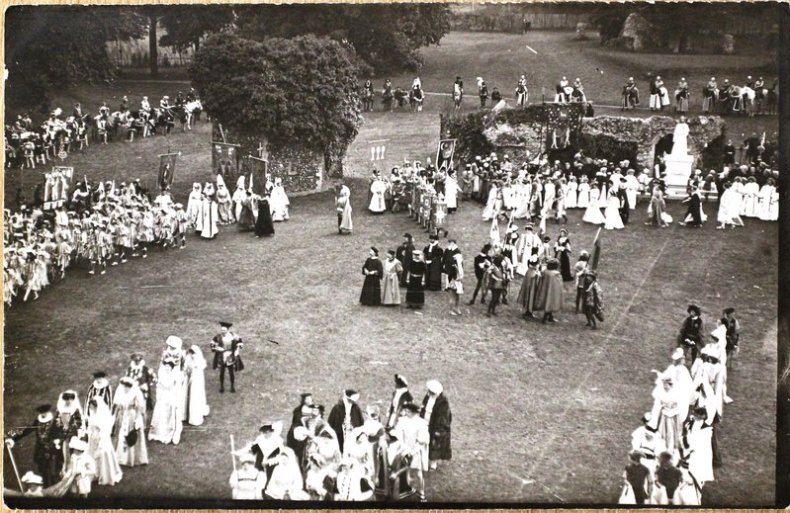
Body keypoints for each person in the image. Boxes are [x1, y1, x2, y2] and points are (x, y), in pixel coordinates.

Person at [6, 404, 63, 487]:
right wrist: (13, 439)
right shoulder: (37, 421)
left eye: (45, 412)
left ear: (48, 412)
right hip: (41, 451)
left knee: (52, 472)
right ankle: (45, 489)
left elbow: (59, 433)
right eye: (42, 413)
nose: (44, 414)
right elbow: (27, 431)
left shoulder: (54, 421)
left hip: (52, 451)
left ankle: (53, 490)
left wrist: (58, 441)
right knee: (43, 471)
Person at [395, 402, 430, 501]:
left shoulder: (421, 423)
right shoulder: (402, 421)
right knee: (406, 469)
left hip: (416, 451)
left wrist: (413, 451)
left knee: (419, 472)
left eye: (407, 411)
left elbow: (422, 441)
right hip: (405, 449)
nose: (405, 412)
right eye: (405, 410)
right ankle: (407, 488)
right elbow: (399, 435)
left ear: (413, 413)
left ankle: (422, 492)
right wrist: (404, 448)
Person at [112, 377, 148, 467]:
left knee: (132, 434)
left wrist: (137, 418)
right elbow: (118, 405)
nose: (125, 388)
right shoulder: (120, 392)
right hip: (124, 415)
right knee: (123, 434)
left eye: (127, 386)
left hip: (133, 415)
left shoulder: (135, 393)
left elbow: (140, 407)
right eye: (124, 386)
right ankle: (122, 458)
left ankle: (134, 458)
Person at [85, 398, 123, 486]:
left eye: (92, 407)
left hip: (101, 438)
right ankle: (94, 474)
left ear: (96, 407)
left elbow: (105, 428)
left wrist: (100, 437)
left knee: (102, 454)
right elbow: (90, 426)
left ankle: (104, 475)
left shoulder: (101, 416)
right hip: (93, 437)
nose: (91, 409)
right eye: (90, 407)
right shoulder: (92, 414)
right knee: (91, 454)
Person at [148, 358, 184, 445]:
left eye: (169, 366)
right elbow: (159, 387)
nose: (167, 368)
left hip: (169, 398)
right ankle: (158, 432)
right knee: (160, 414)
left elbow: (171, 386)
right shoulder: (162, 375)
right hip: (162, 397)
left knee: (167, 415)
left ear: (172, 368)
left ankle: (167, 433)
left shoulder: (174, 376)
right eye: (166, 366)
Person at [421, 380, 451, 472]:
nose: (429, 393)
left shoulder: (443, 402)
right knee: (424, 441)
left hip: (435, 425)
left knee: (435, 444)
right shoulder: (427, 397)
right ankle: (424, 459)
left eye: (431, 392)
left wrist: (439, 429)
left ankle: (433, 463)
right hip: (425, 422)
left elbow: (443, 418)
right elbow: (423, 407)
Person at [210, 321, 244, 393]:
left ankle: (232, 387)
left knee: (231, 371)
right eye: (222, 330)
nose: (223, 332)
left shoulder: (233, 336)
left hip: (230, 355)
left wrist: (236, 350)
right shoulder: (218, 336)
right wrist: (217, 348)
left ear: (228, 330)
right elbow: (212, 344)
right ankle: (222, 386)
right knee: (221, 372)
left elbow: (240, 343)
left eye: (224, 330)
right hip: (221, 356)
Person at [327, 389, 364, 454]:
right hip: (339, 438)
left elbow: (361, 423)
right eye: (349, 401)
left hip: (353, 438)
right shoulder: (337, 408)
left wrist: (360, 434)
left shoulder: (356, 408)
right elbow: (330, 423)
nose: (351, 403)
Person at [184, 345, 210, 426]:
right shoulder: (188, 358)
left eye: (193, 353)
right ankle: (186, 414)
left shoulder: (198, 360)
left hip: (196, 381)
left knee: (195, 396)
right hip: (188, 379)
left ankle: (195, 417)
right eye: (191, 353)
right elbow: (186, 367)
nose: (192, 355)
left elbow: (200, 367)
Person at [536, 258, 563, 324]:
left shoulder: (546, 271)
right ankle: (544, 319)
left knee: (548, 302)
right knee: (549, 303)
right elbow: (558, 284)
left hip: (545, 290)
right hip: (552, 291)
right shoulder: (555, 274)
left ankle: (550, 317)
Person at [445, 240, 464, 316]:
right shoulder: (453, 266)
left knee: (457, 296)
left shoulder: (459, 265)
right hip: (453, 281)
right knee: (452, 296)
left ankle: (457, 308)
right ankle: (451, 310)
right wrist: (456, 279)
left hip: (457, 281)